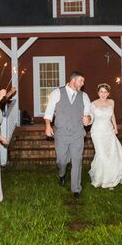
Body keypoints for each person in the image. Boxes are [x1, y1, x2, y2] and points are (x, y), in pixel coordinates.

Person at [44, 71, 91, 199]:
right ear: (73, 80)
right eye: (81, 80)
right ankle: (62, 173)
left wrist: (88, 119)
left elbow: (88, 113)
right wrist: (48, 125)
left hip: (77, 133)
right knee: (61, 160)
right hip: (61, 133)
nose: (83, 83)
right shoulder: (57, 93)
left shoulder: (84, 96)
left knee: (77, 160)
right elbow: (49, 111)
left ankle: (76, 189)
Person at [89, 83, 122, 189]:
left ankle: (114, 176)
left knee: (112, 152)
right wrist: (87, 120)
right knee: (101, 153)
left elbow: (112, 115)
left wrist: (115, 128)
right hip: (97, 132)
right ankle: (105, 178)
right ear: (98, 92)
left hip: (109, 131)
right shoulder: (93, 104)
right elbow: (91, 117)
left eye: (105, 92)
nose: (103, 94)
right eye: (101, 92)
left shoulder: (111, 102)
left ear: (108, 93)